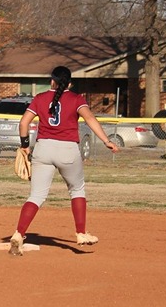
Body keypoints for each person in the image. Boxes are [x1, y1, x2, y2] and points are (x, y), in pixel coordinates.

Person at [9, 65, 119, 256]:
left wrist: (25, 145)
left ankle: (19, 233)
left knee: (36, 196)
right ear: (69, 83)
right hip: (67, 149)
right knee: (77, 189)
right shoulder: (76, 99)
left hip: (43, 148)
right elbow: (90, 118)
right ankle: (81, 233)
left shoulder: (40, 98)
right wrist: (106, 140)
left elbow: (23, 123)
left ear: (52, 81)